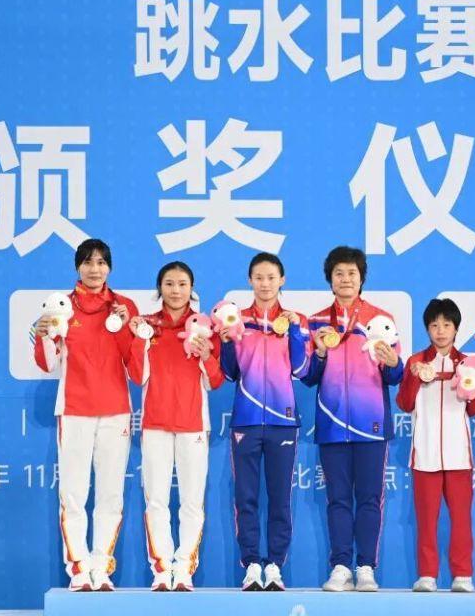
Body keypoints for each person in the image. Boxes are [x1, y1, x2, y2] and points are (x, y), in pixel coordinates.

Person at [33, 238, 138, 592]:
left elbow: (136, 365)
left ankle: (101, 566)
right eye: (88, 262)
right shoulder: (60, 307)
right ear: (78, 266)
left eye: (101, 262)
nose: (95, 269)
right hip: (75, 410)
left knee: (110, 495)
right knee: (73, 494)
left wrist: (127, 327)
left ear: (110, 267)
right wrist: (44, 336)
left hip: (116, 413)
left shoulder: (124, 307)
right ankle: (78, 568)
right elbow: (47, 364)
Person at [302, 246, 404, 592]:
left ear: (362, 279)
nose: (346, 279)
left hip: (371, 424)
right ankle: (341, 566)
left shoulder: (380, 319)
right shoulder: (316, 322)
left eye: (352, 273)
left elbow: (395, 375)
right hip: (332, 425)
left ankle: (366, 568)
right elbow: (308, 376)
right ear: (329, 279)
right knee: (338, 499)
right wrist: (318, 353)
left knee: (370, 499)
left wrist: (393, 362)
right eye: (339, 274)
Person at [126, 261, 225, 592]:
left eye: (182, 284)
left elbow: (215, 381)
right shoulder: (147, 326)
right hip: (155, 424)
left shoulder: (205, 327)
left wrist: (206, 355)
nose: (176, 290)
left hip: (193, 425)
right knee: (155, 500)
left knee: (191, 502)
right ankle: (161, 568)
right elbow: (136, 375)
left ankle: (183, 568)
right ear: (160, 288)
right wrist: (139, 339)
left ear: (191, 288)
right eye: (169, 283)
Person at [219, 252, 311, 591]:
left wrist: (296, 332)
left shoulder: (296, 320)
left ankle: (274, 565)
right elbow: (230, 373)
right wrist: (226, 344)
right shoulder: (237, 320)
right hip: (246, 420)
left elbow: (302, 370)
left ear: (282, 280)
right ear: (250, 280)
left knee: (279, 498)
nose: (265, 283)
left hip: (282, 421)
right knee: (246, 498)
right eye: (259, 277)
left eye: (271, 277)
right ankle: (252, 565)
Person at [397, 298, 475, 593]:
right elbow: (404, 403)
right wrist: (413, 378)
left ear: (456, 328)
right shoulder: (415, 362)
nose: (440, 330)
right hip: (425, 454)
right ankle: (427, 575)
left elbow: (473, 410)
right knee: (426, 520)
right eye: (434, 325)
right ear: (427, 329)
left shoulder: (469, 364)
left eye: (446, 324)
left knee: (461, 520)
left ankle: (463, 575)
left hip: (459, 455)